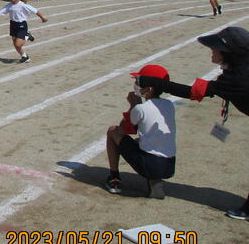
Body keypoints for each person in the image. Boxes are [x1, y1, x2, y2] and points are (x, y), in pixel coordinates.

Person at [136, 27, 249, 219]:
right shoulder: (240, 69)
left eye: (216, 48)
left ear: (229, 53)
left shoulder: (239, 78)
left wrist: (153, 82)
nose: (212, 51)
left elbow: (192, 92)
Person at [105, 64, 177, 199]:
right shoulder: (169, 105)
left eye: (139, 82)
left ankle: (114, 177)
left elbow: (122, 130)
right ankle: (154, 180)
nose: (136, 85)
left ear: (149, 89)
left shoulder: (141, 108)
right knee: (141, 141)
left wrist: (133, 106)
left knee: (112, 131)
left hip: (150, 164)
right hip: (169, 166)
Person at [0, 0, 48, 64]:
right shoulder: (9, 5)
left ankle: (27, 36)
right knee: (15, 44)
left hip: (21, 25)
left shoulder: (23, 5)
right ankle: (25, 56)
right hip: (13, 25)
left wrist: (42, 18)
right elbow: (1, 12)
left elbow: (35, 11)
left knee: (18, 44)